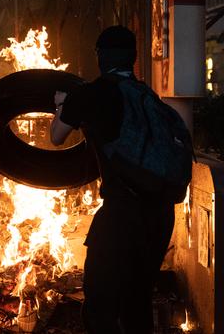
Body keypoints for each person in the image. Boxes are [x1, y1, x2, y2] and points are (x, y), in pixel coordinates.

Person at [50, 26, 176, 334]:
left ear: (100, 57)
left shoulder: (89, 94)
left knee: (100, 304)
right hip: (161, 215)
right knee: (138, 301)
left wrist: (62, 106)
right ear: (132, 58)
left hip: (121, 214)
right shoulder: (148, 96)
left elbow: (56, 137)